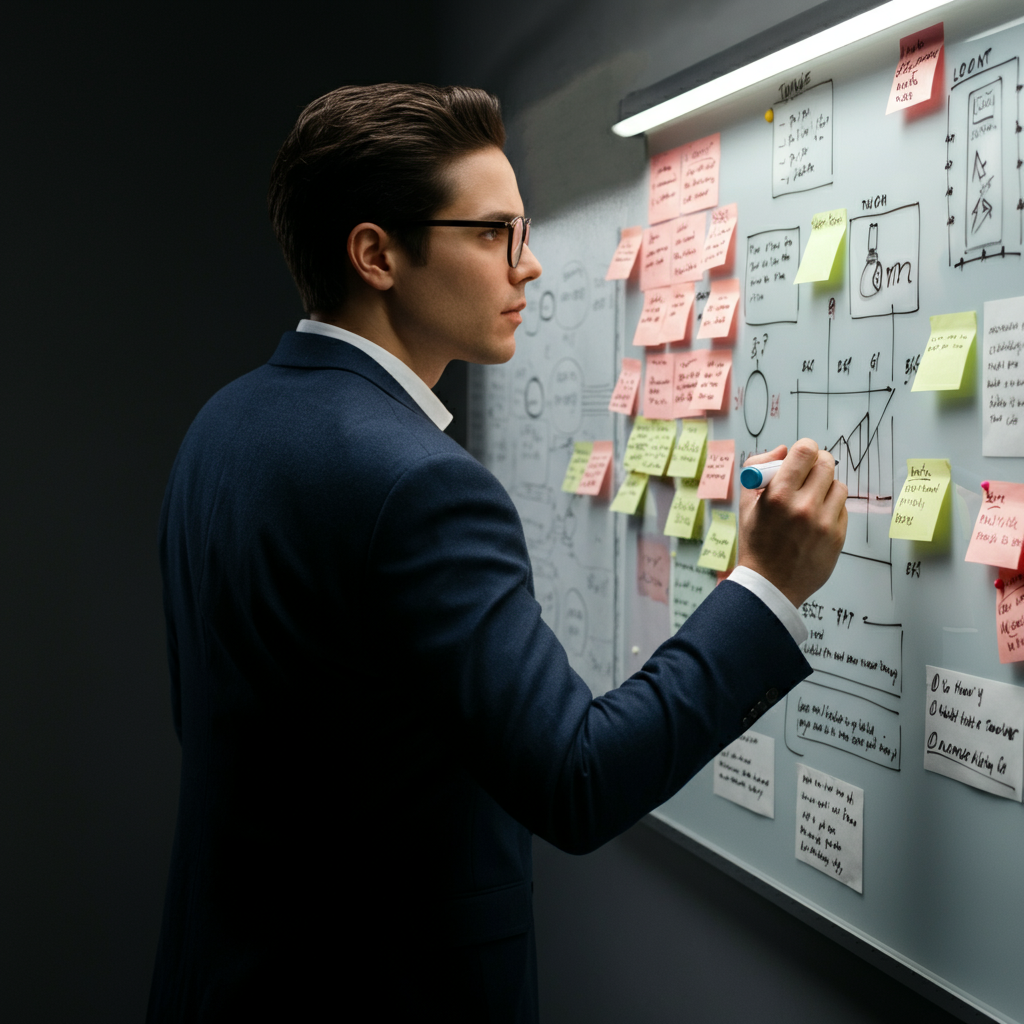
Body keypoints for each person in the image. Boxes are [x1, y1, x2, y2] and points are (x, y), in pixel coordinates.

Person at [148, 83, 848, 1023]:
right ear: (376, 254)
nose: (531, 268)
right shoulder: (418, 483)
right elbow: (578, 780)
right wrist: (764, 585)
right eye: (495, 235)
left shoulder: (222, 425)